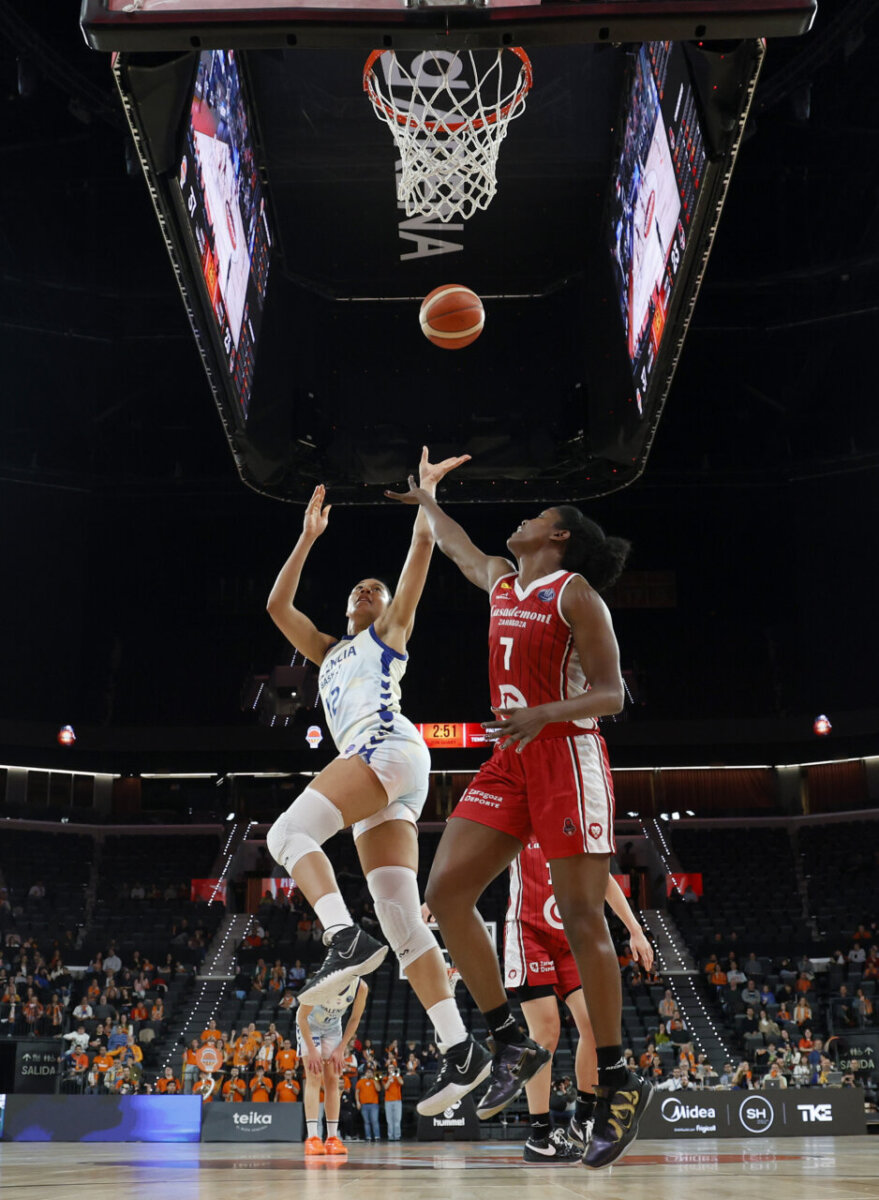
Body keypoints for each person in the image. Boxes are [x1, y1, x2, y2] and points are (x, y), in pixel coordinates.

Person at [386, 481, 649, 1168]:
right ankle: (509, 1036)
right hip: (511, 757)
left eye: (538, 515)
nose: (524, 519)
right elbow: (457, 548)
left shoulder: (574, 595)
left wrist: (543, 713)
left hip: (565, 753)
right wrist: (427, 497)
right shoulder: (504, 583)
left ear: (559, 536)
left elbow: (611, 691)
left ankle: (618, 1083)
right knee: (444, 894)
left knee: (582, 917)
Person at [265, 451, 483, 1119]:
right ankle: (461, 1050)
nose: (367, 590)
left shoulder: (388, 634)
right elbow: (276, 604)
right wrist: (306, 539)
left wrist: (424, 500)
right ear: (345, 606)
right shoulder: (328, 650)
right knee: (400, 917)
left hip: (384, 749)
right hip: (385, 780)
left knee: (287, 833)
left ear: (386, 606)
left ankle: (340, 937)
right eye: (358, 588)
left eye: (375, 588)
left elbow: (419, 554)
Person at [503, 839, 654, 1163]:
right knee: (545, 1034)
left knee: (595, 1025)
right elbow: (475, 856)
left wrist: (635, 930)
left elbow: (603, 877)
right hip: (529, 931)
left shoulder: (573, 817)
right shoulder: (515, 814)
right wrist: (444, 895)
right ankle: (539, 1137)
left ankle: (582, 1118)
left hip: (570, 935)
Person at [297, 976, 368, 1156]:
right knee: (313, 1077)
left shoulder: (360, 987)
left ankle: (332, 1138)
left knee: (333, 1081)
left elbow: (354, 1019)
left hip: (333, 1029)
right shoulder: (321, 981)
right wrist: (312, 1050)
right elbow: (301, 1017)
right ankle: (312, 1138)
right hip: (309, 1026)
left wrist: (341, 1048)